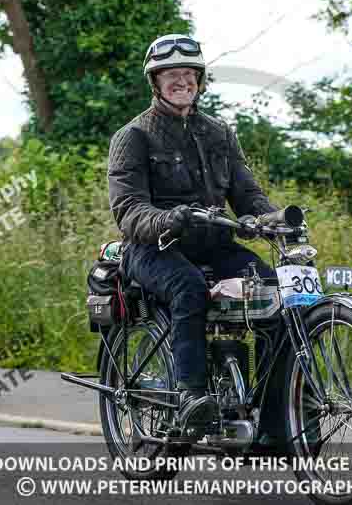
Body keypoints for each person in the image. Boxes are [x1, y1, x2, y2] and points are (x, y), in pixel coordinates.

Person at [107, 33, 286, 445]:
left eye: (188, 74)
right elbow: (128, 209)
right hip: (153, 248)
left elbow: (246, 195)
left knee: (273, 292)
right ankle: (192, 397)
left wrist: (273, 219)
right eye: (172, 75)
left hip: (214, 242)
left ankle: (276, 413)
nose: (181, 81)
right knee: (189, 288)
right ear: (155, 82)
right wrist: (169, 220)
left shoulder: (219, 132)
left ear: (200, 80)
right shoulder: (132, 136)